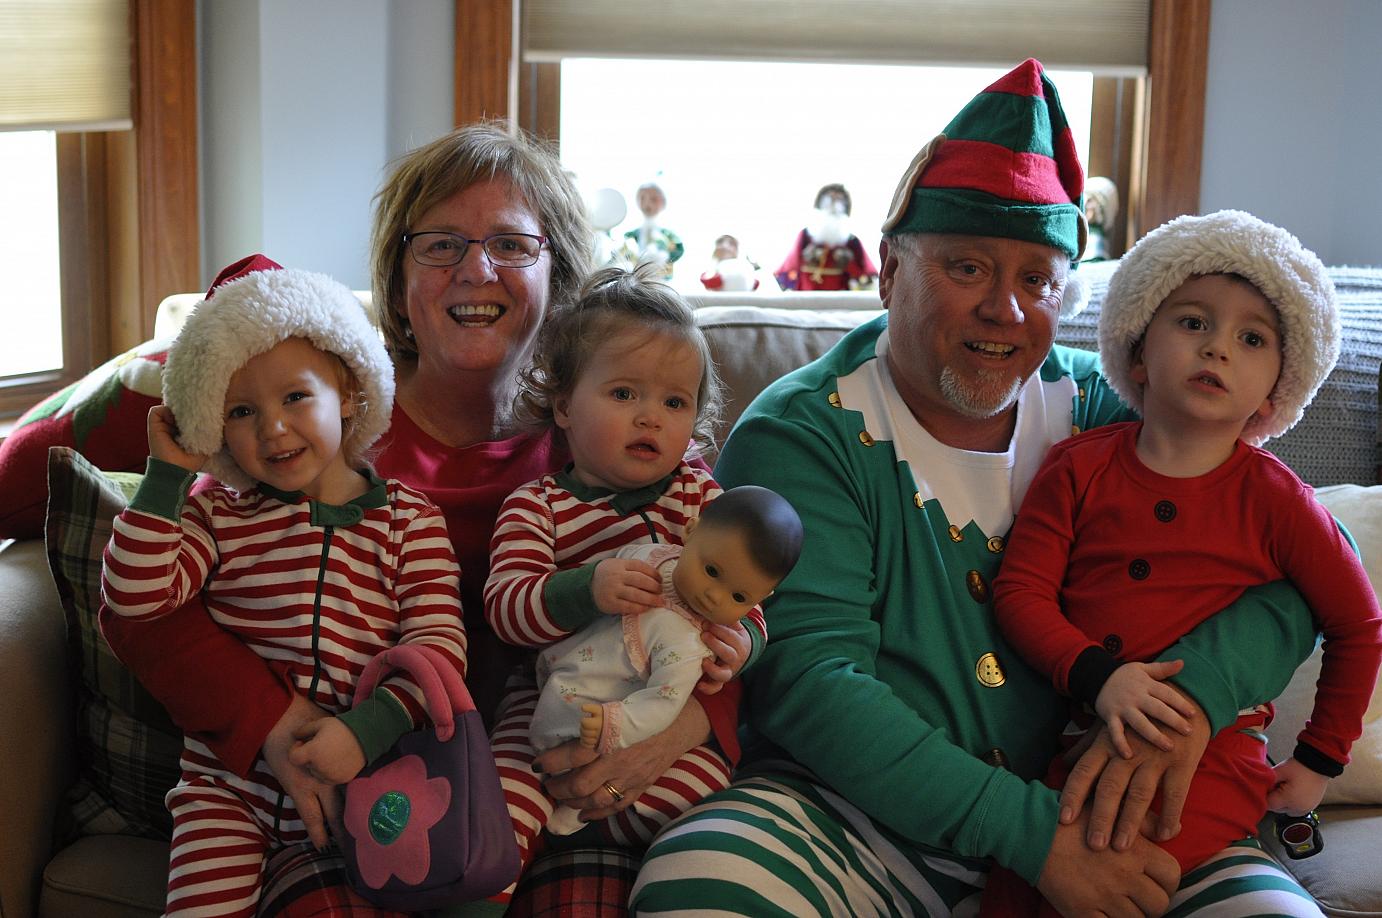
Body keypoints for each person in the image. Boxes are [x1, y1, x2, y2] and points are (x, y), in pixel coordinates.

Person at [633, 59, 1323, 917]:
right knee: (701, 886)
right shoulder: (803, 433)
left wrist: (1195, 696)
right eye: (967, 268)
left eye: (1037, 279)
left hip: (1119, 813)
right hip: (859, 820)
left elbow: (1310, 564)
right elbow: (811, 679)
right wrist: (1033, 837)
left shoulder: (1116, 407)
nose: (1007, 308)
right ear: (890, 271)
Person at [98, 124, 752, 917]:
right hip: (356, 775)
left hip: (556, 765)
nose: (476, 270)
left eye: (511, 244)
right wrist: (275, 722)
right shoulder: (317, 425)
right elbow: (145, 609)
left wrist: (683, 726)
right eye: (441, 244)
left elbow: (725, 596)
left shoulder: (623, 433)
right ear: (398, 275)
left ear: (558, 272)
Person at [981, 210, 1382, 916]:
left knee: (1114, 863)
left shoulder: (1280, 501)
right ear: (1139, 354)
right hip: (1077, 730)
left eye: (1251, 339)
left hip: (1217, 755)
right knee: (1020, 882)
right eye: (1193, 322)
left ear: (1274, 394)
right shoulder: (1075, 469)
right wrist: (1098, 676)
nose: (1217, 347)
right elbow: (1020, 593)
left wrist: (1320, 758)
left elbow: (1359, 624)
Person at [100, 259, 469, 916]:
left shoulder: (409, 520)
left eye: (295, 397)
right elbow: (133, 598)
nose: (271, 428)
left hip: (364, 778)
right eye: (241, 411)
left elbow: (440, 648)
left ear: (349, 392)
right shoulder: (214, 517)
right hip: (225, 792)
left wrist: (366, 732)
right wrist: (165, 479)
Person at [483, 267, 775, 869]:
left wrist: (742, 642)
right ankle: (510, 870)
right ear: (564, 405)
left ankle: (589, 843)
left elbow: (751, 594)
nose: (651, 418)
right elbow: (506, 610)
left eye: (674, 402)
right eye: (624, 394)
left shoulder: (700, 499)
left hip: (658, 702)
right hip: (553, 693)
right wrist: (585, 590)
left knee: (704, 796)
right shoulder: (538, 505)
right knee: (497, 808)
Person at [774, 182, 879, 291]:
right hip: (807, 292)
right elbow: (789, 267)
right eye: (830, 198)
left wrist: (848, 263)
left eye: (839, 199)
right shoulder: (805, 235)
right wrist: (806, 257)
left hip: (839, 297)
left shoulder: (851, 241)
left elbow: (866, 277)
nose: (833, 203)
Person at [620, 182, 684, 280]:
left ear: (663, 202)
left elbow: (678, 250)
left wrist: (665, 257)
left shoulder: (668, 235)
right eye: (642, 198)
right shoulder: (631, 235)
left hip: (662, 280)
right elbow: (623, 253)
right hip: (637, 279)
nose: (647, 203)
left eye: (653, 199)